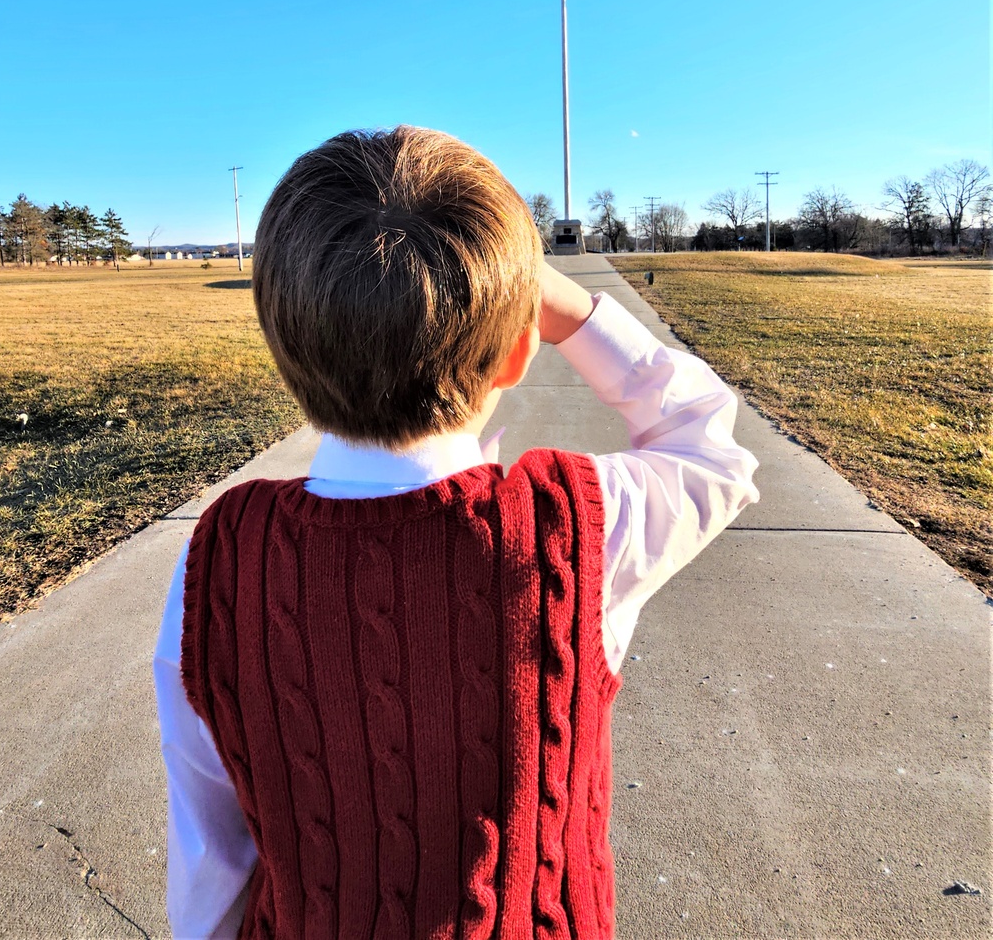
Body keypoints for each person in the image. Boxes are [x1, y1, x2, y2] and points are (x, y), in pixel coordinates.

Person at [154, 125, 759, 939]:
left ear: (285, 350)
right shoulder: (576, 527)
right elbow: (708, 442)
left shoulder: (220, 556)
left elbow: (210, 859)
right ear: (518, 353)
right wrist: (564, 304)